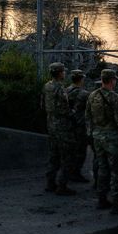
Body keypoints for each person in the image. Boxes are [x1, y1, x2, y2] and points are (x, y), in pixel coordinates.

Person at [85, 69, 118, 215]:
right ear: (111, 80)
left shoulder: (92, 96)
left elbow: (88, 116)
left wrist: (92, 132)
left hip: (97, 136)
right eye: (114, 79)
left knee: (103, 168)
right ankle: (117, 204)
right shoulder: (115, 98)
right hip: (112, 138)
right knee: (117, 171)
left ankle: (102, 199)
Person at [42, 62, 76, 196]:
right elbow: (64, 108)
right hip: (62, 126)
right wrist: (73, 114)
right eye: (63, 71)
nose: (65, 73)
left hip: (51, 123)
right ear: (60, 73)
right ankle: (62, 185)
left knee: (53, 155)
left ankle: (50, 183)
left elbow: (42, 104)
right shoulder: (60, 88)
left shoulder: (47, 86)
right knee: (68, 155)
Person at [66, 69, 92, 183]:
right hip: (80, 125)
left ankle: (69, 171)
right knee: (81, 150)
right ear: (81, 79)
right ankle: (75, 173)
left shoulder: (66, 90)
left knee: (71, 150)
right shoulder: (84, 94)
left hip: (68, 124)